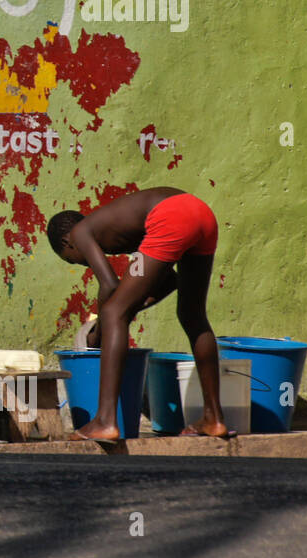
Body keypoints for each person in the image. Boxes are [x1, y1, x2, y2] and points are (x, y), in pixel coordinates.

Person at [46, 186, 232, 441]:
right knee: (192, 315)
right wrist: (128, 309)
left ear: (68, 243)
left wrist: (101, 330)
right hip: (200, 213)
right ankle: (214, 418)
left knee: (112, 312)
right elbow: (169, 282)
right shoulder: (122, 229)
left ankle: (104, 421)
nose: (80, 262)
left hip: (171, 215)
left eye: (71, 259)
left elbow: (109, 285)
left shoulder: (80, 232)